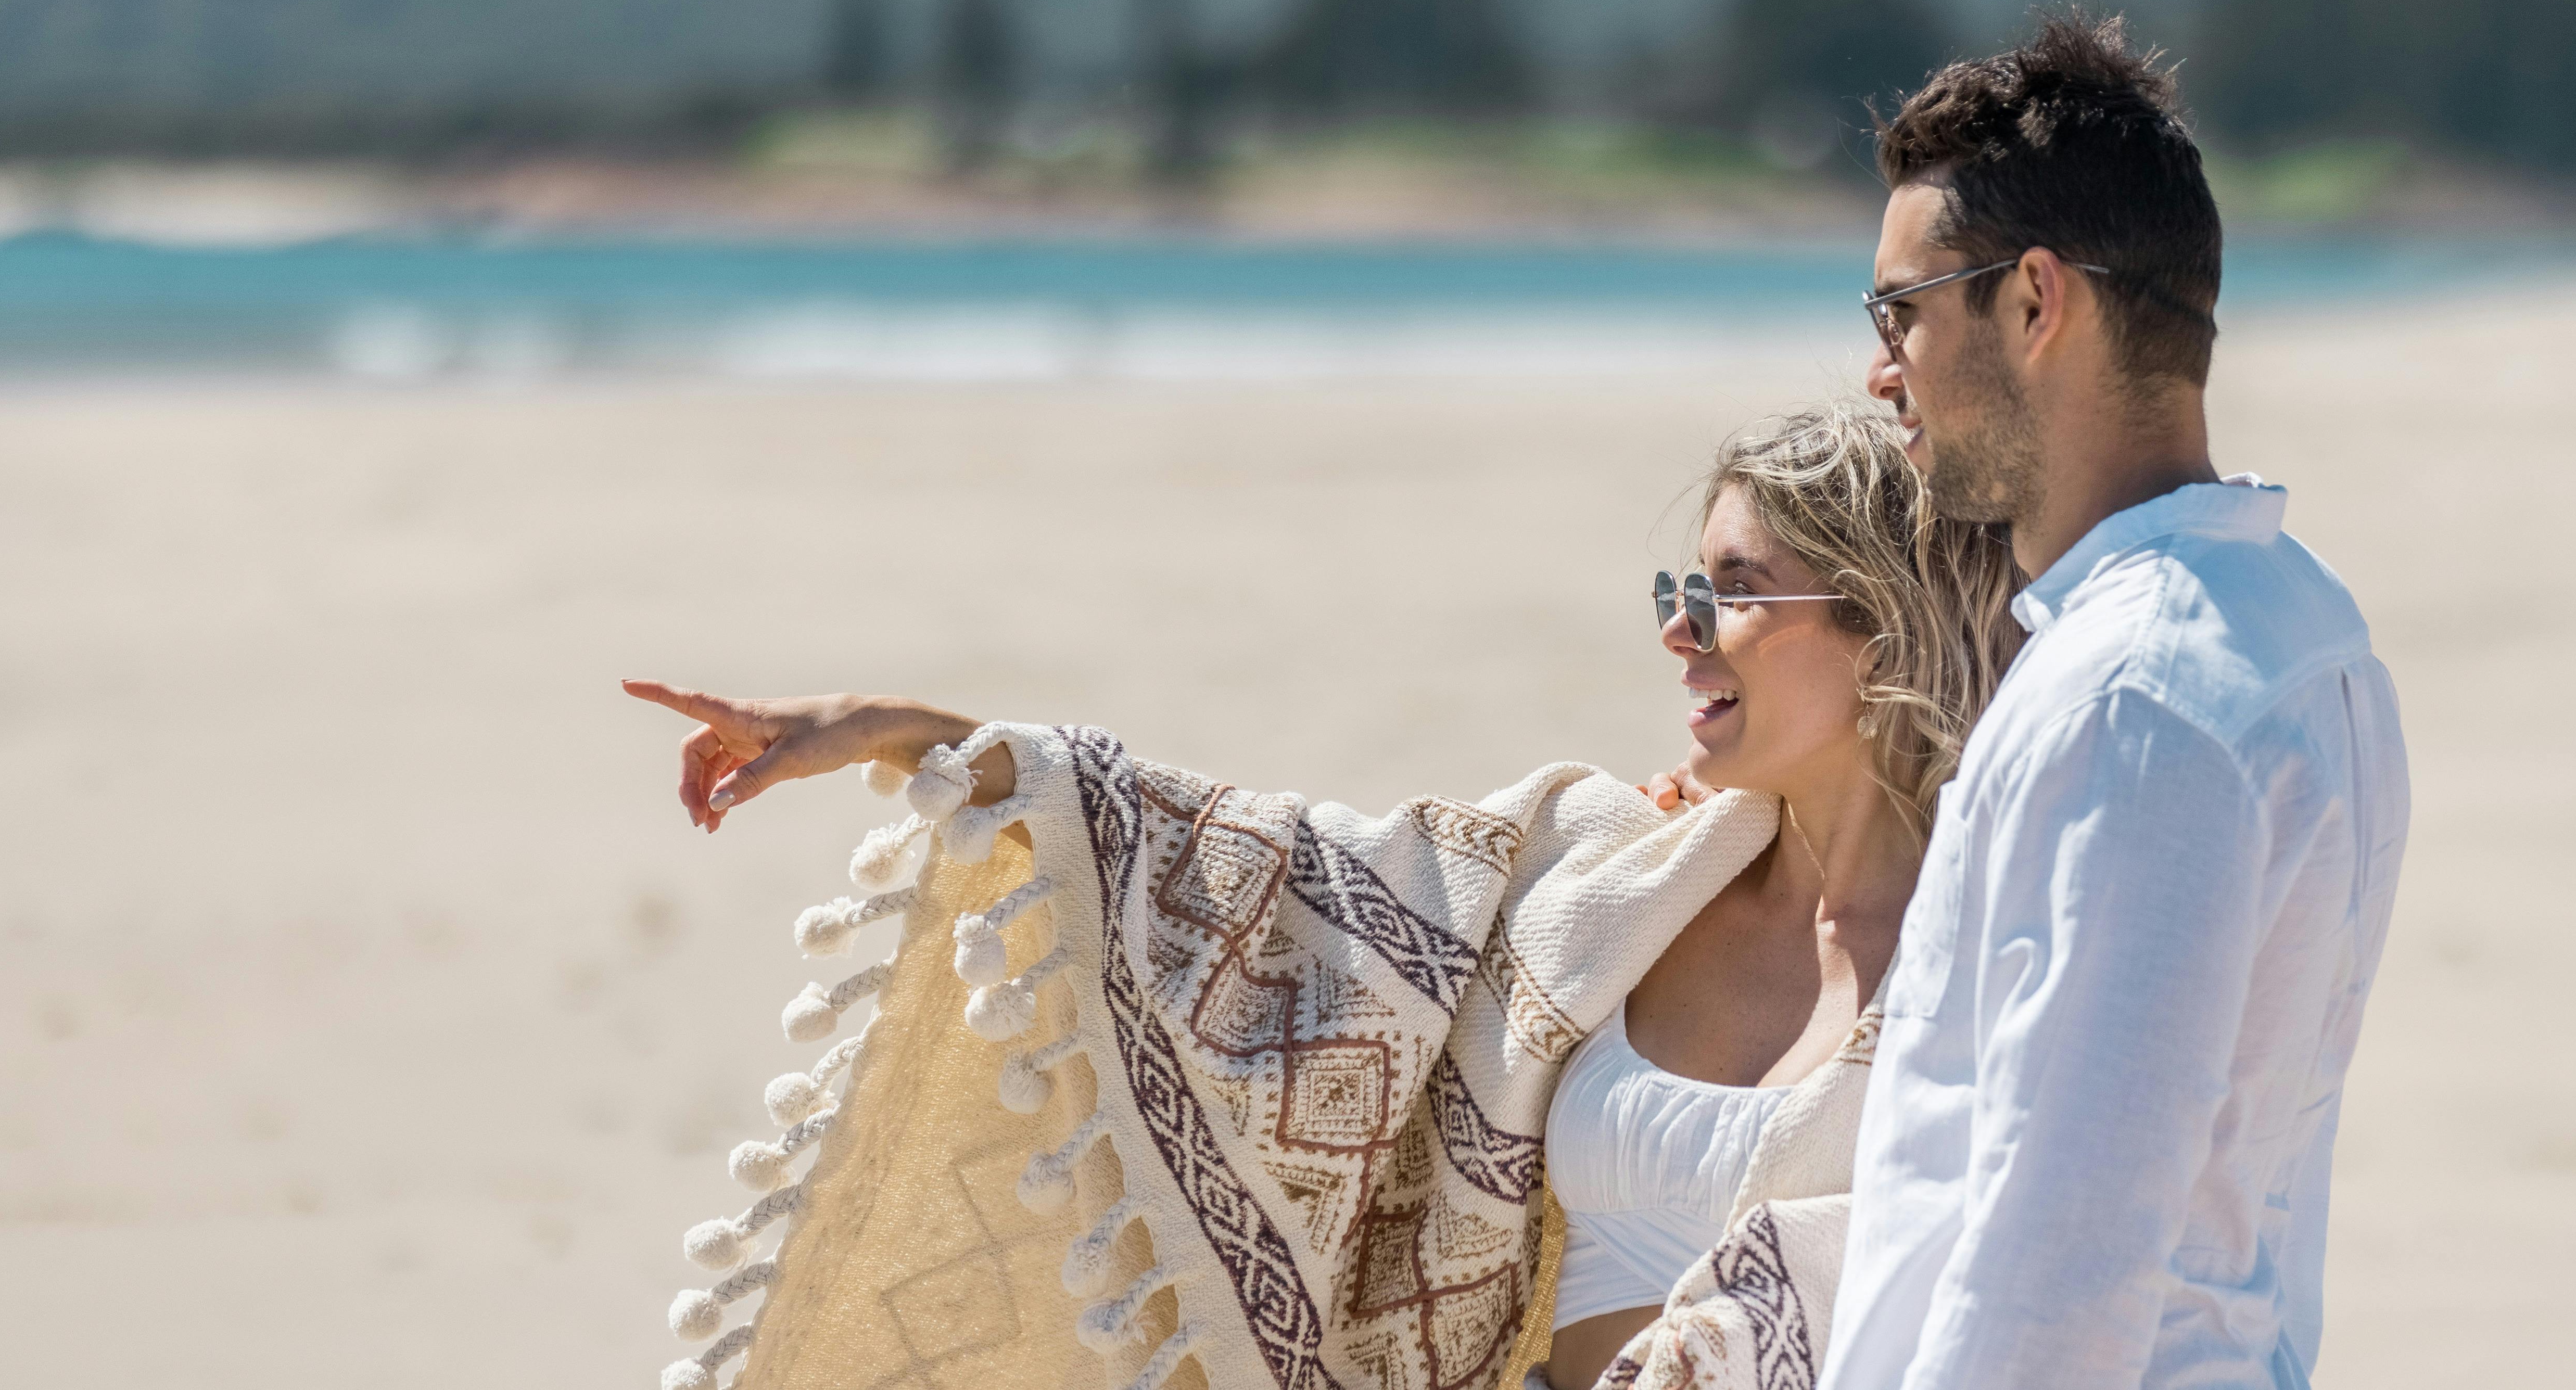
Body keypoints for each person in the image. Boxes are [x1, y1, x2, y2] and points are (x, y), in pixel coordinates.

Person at [624, 404, 2022, 1390]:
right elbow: (1253, 881)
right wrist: (918, 731)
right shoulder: (1603, 875)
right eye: (1680, 582)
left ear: (1881, 622)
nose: (1678, 628)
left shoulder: (1998, 960)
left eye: (1733, 590)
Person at [1821, 15, 2411, 1390]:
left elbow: (2058, 1261)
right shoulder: (2300, 624)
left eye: (1902, 310)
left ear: (2036, 303)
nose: (1880, 368)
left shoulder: (2135, 701)